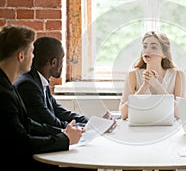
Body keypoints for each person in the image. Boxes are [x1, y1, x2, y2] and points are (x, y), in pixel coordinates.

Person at [0, 25, 95, 170]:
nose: (34, 57)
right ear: (21, 56)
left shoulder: (8, 85)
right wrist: (65, 139)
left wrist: (65, 133)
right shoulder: (6, 92)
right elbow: (20, 142)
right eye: (32, 52)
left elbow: (27, 123)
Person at [14, 36, 111, 129]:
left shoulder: (39, 80)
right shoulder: (28, 86)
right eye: (63, 59)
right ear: (54, 62)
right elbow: (53, 123)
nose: (64, 64)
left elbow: (59, 112)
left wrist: (92, 121)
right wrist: (94, 127)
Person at [119, 31, 186, 120]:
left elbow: (181, 113)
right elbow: (123, 114)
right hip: (139, 128)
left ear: (164, 54)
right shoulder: (132, 75)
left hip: (168, 129)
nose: (147, 50)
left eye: (154, 47)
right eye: (145, 46)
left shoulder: (178, 75)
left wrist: (157, 85)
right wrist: (143, 87)